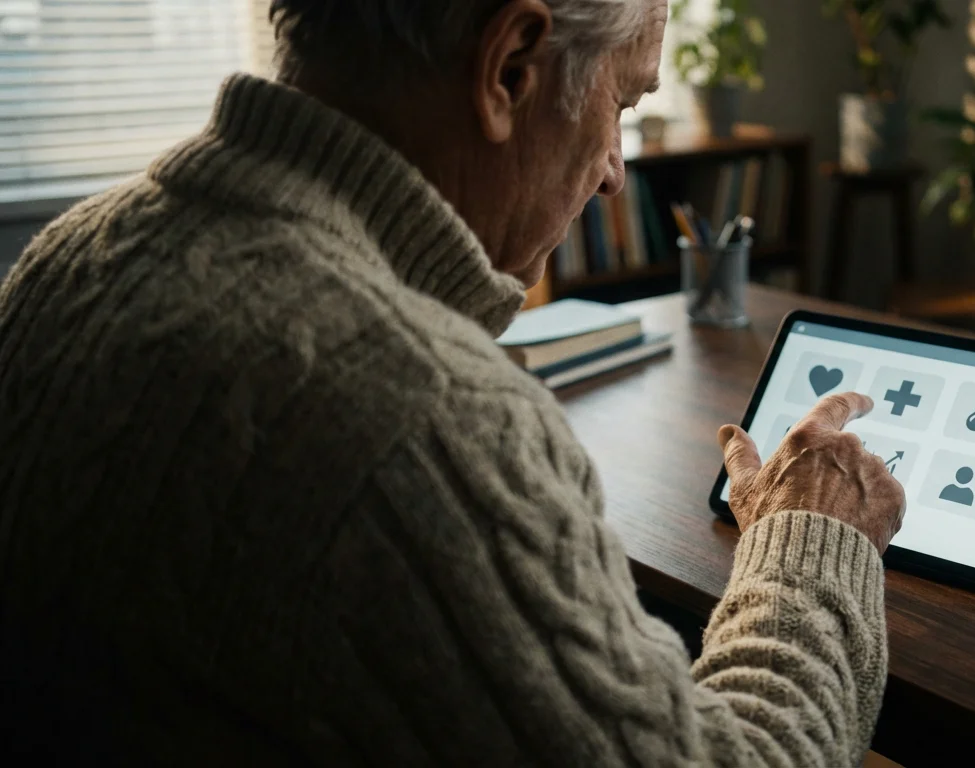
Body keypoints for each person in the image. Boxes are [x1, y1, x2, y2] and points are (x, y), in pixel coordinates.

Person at [0, 0, 906, 764]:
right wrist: (807, 542)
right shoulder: (421, 421)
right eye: (621, 106)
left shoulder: (70, 256)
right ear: (510, 67)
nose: (612, 175)